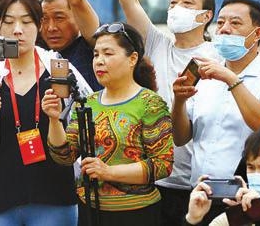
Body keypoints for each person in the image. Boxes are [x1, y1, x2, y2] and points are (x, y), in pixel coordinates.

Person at [104, 0, 220, 226]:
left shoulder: (217, 55)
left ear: (206, 16)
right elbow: (129, 1)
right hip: (156, 177)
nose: (177, 8)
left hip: (199, 182)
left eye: (187, 3)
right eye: (173, 2)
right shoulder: (156, 43)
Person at [0, 0, 92, 226]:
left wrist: (58, 119)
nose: (17, 30)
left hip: (55, 197)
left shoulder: (59, 67)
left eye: (26, 22)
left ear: (39, 26)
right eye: (9, 22)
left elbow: (89, 119)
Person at [172, 0, 260, 224]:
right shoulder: (204, 71)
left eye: (235, 23)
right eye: (220, 23)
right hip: (201, 195)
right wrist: (178, 102)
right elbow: (180, 138)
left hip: (245, 199)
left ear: (257, 34)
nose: (225, 29)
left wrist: (231, 80)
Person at [46, 22, 174, 225]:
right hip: (90, 209)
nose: (99, 61)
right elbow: (65, 155)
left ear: (132, 59)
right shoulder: (88, 102)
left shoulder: (150, 103)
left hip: (137, 213)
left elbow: (162, 165)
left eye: (108, 54)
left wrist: (108, 172)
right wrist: (53, 119)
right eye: (96, 55)